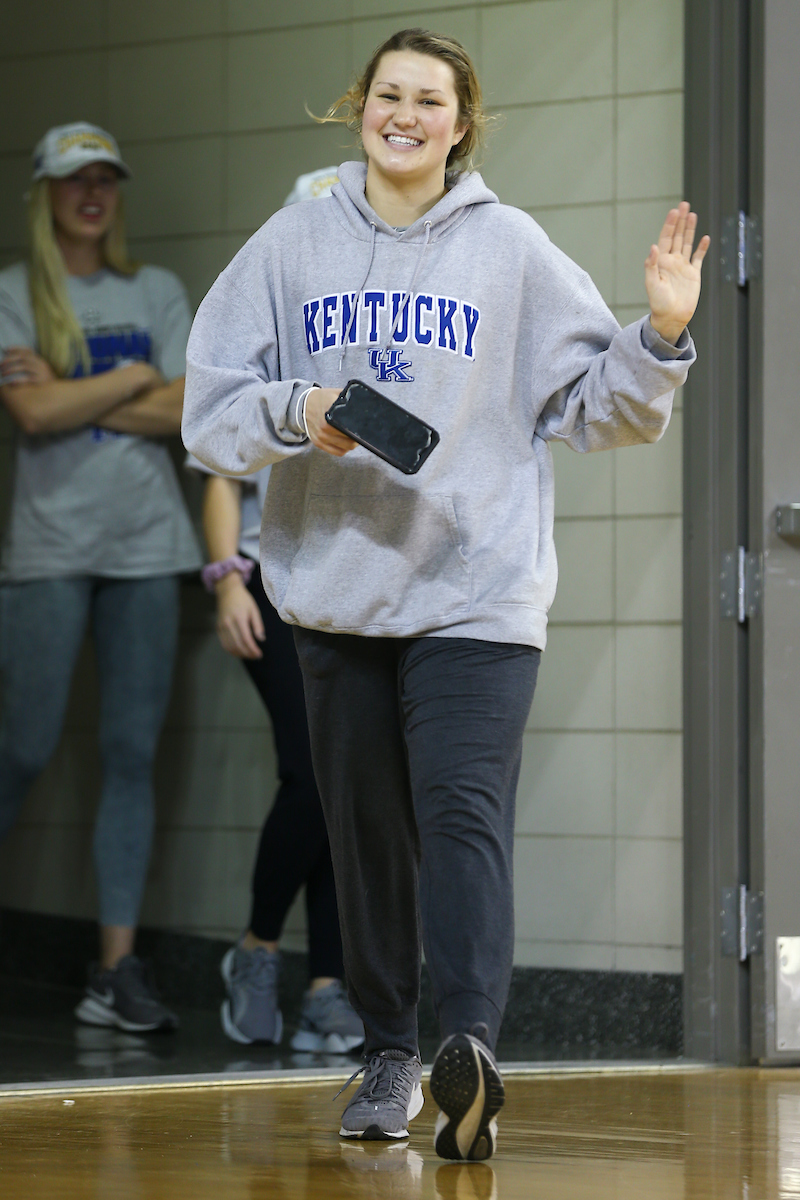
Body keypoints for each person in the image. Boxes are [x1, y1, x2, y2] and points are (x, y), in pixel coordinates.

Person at [182, 28, 708, 1159]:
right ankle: (386, 1050)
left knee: (461, 816)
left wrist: (659, 333)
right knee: (365, 832)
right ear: (357, 109)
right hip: (335, 601)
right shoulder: (290, 242)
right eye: (388, 94)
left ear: (461, 124)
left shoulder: (509, 249)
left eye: (430, 99)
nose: (405, 113)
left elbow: (591, 410)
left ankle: (466, 1047)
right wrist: (294, 409)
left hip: (477, 597)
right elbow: (209, 406)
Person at [0, 123, 202, 1033]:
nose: (93, 192)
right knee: (22, 751)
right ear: (43, 192)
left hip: (148, 551)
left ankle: (114, 973)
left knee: (130, 757)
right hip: (48, 549)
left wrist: (78, 390)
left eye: (107, 179)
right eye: (75, 179)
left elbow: (192, 410)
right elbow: (32, 414)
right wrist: (130, 377)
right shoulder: (11, 293)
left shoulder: (157, 288)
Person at [187, 167, 362, 1052]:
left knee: (349, 782)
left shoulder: (377, 330)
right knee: (312, 772)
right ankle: (258, 951)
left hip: (351, 585)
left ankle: (329, 983)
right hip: (267, 577)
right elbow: (224, 467)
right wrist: (225, 578)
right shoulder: (267, 324)